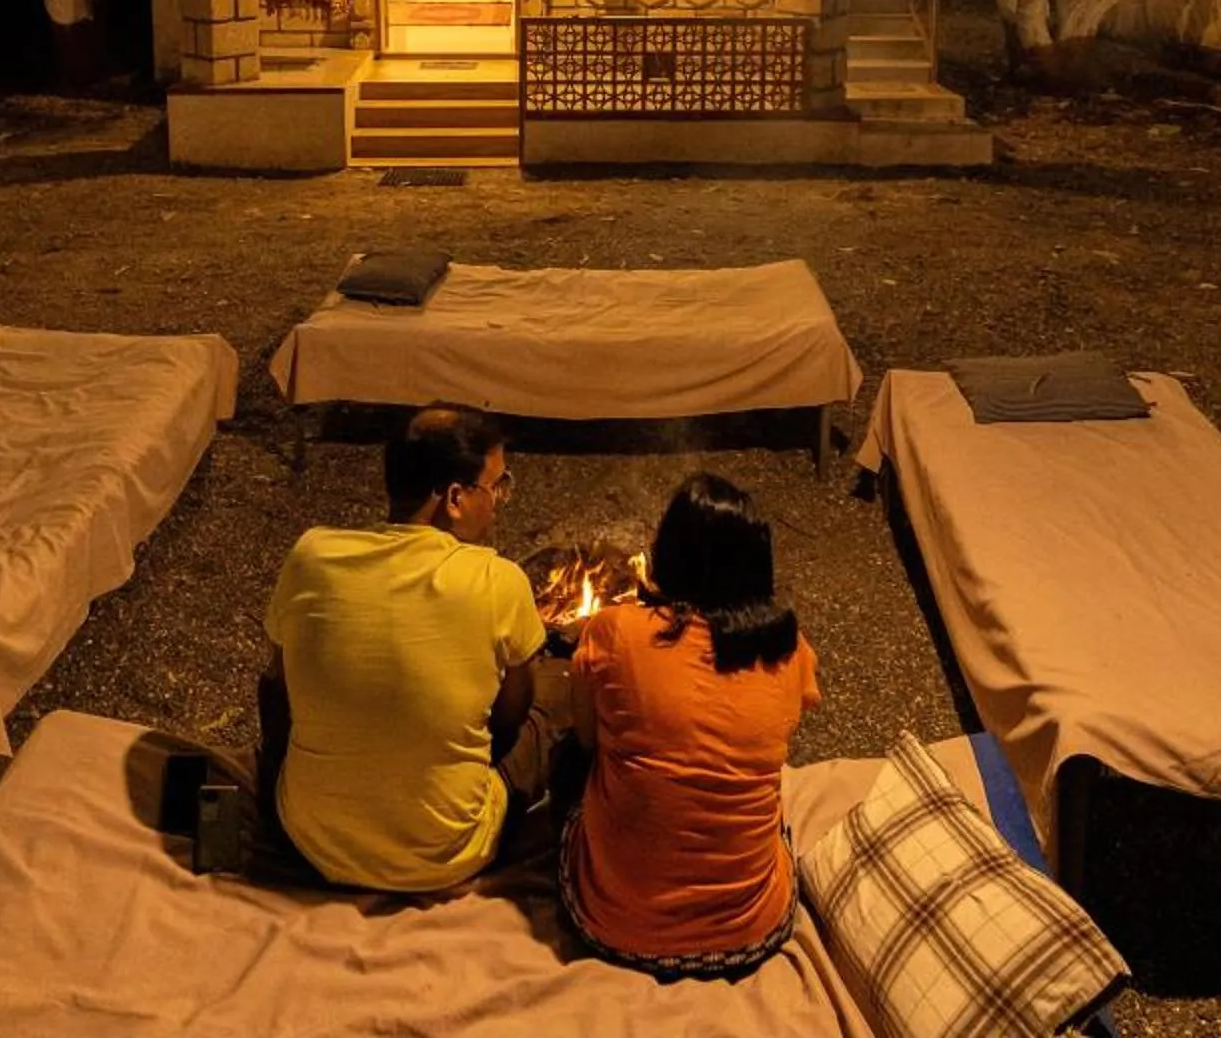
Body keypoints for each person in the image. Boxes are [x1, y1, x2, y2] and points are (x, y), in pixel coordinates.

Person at [258, 403, 564, 892]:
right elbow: (511, 716)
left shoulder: (311, 555)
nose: (501, 500)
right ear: (456, 498)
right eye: (497, 485)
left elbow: (277, 687)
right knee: (553, 690)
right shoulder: (496, 580)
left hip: (311, 838)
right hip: (449, 852)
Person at [560, 471, 820, 980]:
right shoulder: (788, 650)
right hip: (753, 934)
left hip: (609, 926)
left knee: (570, 764)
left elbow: (587, 741)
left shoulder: (614, 631)